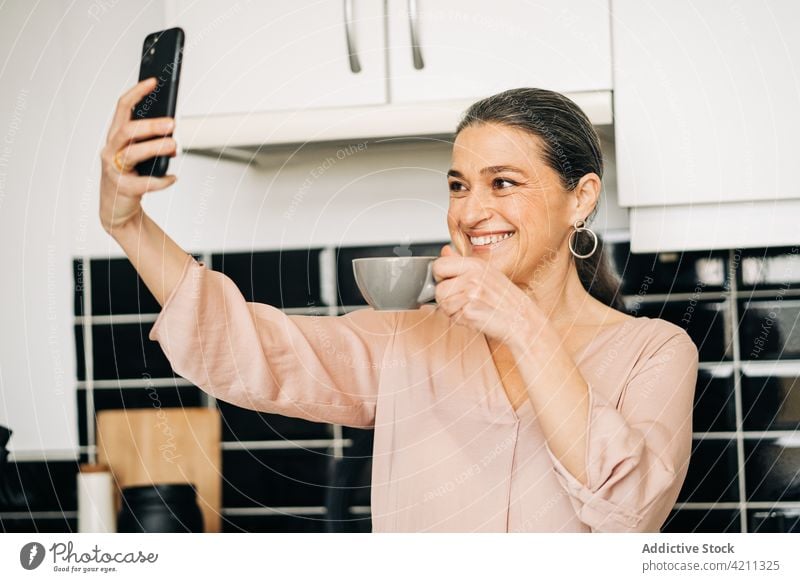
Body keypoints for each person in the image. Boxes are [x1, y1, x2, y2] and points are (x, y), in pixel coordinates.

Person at [99, 80, 699, 532]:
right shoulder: (407, 342)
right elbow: (248, 348)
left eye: (504, 183)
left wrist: (523, 325)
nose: (469, 211)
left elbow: (629, 511)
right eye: (459, 185)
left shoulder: (655, 352)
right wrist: (129, 227)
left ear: (581, 198)